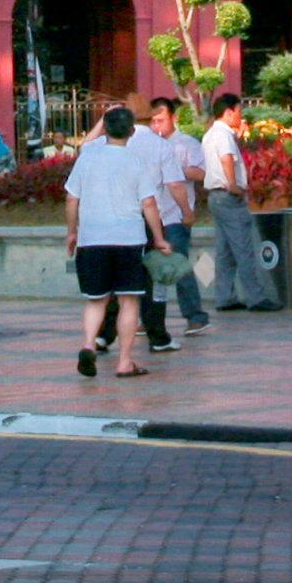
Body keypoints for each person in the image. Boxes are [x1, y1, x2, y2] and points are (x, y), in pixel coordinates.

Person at [64, 105, 164, 378]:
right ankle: (124, 362)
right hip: (128, 239)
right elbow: (149, 203)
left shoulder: (87, 158)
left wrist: (73, 232)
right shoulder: (135, 161)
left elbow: (72, 198)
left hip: (92, 239)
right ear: (132, 131)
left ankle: (88, 345)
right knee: (128, 301)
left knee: (96, 300)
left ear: (105, 129)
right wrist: (159, 238)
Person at [142, 97, 209, 336]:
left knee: (178, 264)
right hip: (150, 215)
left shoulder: (186, 144)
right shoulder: (146, 144)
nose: (156, 125)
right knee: (149, 269)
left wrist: (172, 168)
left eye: (161, 120)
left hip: (174, 217)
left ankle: (195, 315)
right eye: (153, 121)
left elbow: (201, 172)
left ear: (173, 118)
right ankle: (148, 317)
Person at [200, 89, 271, 314]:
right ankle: (256, 297)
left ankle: (225, 296)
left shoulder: (212, 134)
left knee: (225, 250)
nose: (241, 115)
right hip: (228, 196)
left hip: (215, 197)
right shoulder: (222, 135)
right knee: (243, 247)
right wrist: (233, 185)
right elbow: (226, 159)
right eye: (239, 111)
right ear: (229, 113)